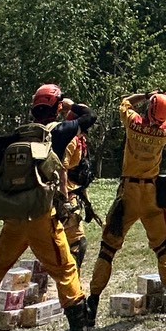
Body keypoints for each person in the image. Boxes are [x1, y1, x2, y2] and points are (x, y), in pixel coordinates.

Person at [0, 84, 98, 331]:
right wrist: (68, 105)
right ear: (55, 108)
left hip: (14, 218)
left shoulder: (17, 137)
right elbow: (89, 116)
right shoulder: (59, 132)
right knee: (66, 270)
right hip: (42, 218)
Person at [84, 90, 166, 326]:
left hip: (128, 192)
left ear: (148, 108)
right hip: (152, 195)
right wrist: (163, 101)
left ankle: (92, 305)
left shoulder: (134, 123)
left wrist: (146, 95)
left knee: (107, 249)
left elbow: (124, 103)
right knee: (163, 248)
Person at [57, 97, 98, 271]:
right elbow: (62, 169)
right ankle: (73, 285)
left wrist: (88, 205)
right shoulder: (71, 141)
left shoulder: (81, 140)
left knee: (72, 243)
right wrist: (64, 201)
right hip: (66, 197)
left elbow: (79, 177)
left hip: (75, 193)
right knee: (76, 243)